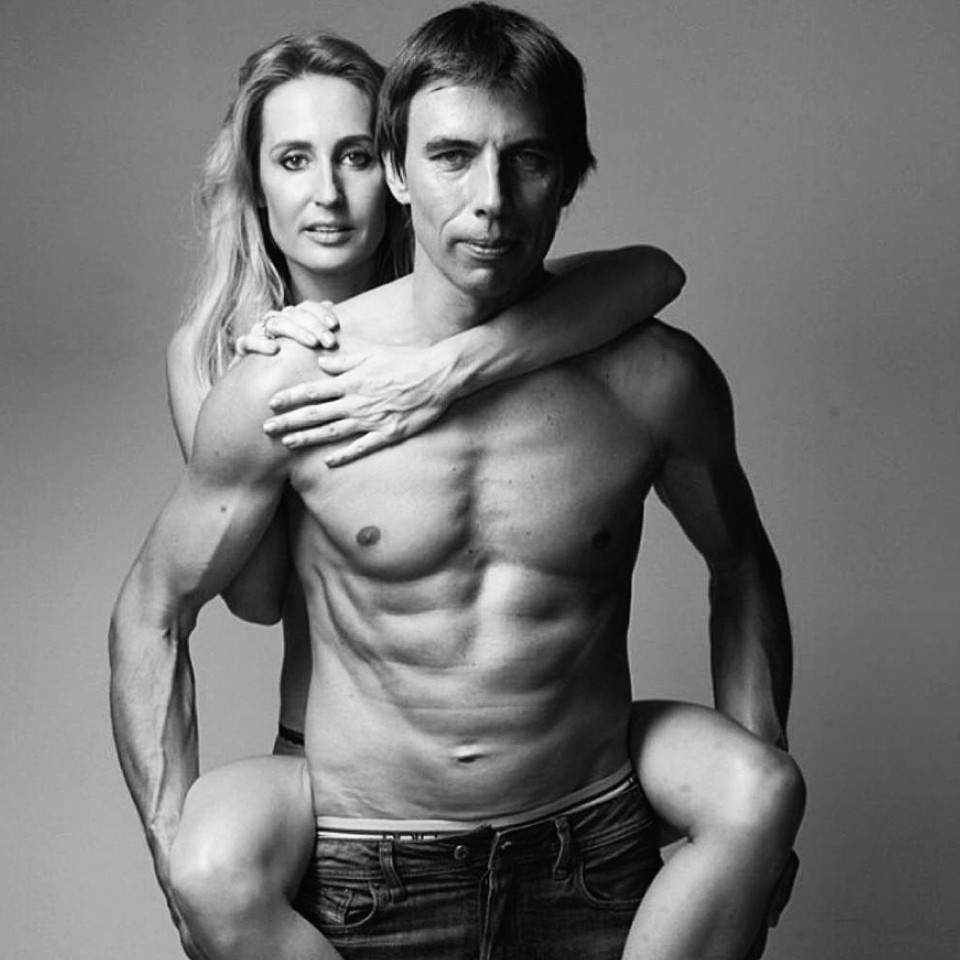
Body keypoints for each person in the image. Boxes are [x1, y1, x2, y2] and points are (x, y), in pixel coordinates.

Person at [110, 8, 804, 960]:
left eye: (529, 160)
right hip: (370, 855)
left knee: (763, 787)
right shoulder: (279, 380)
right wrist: (169, 853)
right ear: (405, 172)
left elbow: (742, 560)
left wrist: (763, 749)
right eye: (451, 157)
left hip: (589, 845)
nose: (491, 202)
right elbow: (170, 607)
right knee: (209, 861)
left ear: (570, 174)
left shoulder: (654, 378)